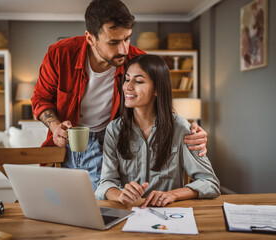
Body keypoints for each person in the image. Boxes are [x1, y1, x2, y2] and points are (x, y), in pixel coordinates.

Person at [31, 0, 208, 190]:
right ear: (90, 38)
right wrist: (56, 126)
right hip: (71, 137)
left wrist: (188, 133)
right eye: (114, 42)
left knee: (107, 200)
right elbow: (41, 99)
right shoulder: (60, 54)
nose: (124, 49)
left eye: (127, 39)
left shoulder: (136, 59)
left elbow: (156, 101)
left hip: (114, 136)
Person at [95, 54, 220, 207]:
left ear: (157, 89)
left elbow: (210, 182)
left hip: (169, 216)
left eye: (139, 81)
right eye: (127, 79)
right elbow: (105, 183)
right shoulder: (114, 129)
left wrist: (173, 194)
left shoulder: (180, 128)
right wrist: (120, 194)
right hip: (128, 215)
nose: (128, 86)